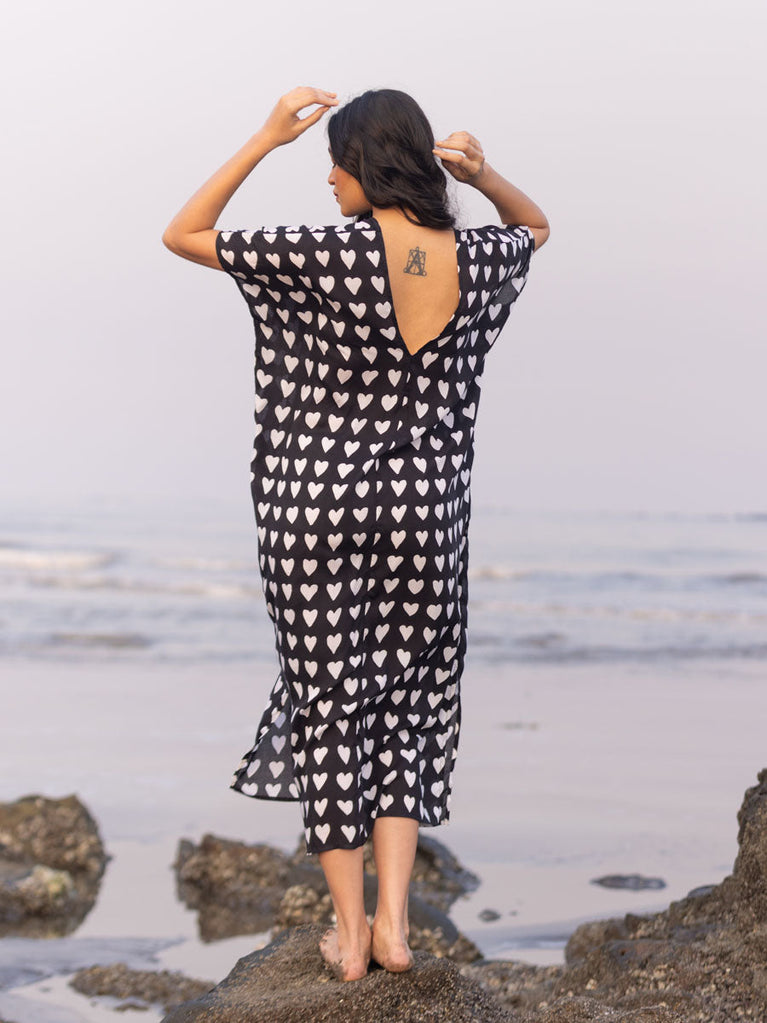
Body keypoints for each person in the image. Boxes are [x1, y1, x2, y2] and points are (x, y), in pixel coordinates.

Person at [162, 85, 549, 983]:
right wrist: (484, 175)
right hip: (424, 513)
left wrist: (262, 138)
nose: (329, 178)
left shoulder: (319, 253)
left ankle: (347, 935)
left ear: (368, 164)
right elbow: (533, 226)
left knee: (328, 702)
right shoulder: (477, 256)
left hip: (317, 509)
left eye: (335, 161)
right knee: (409, 702)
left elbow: (183, 232)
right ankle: (395, 928)